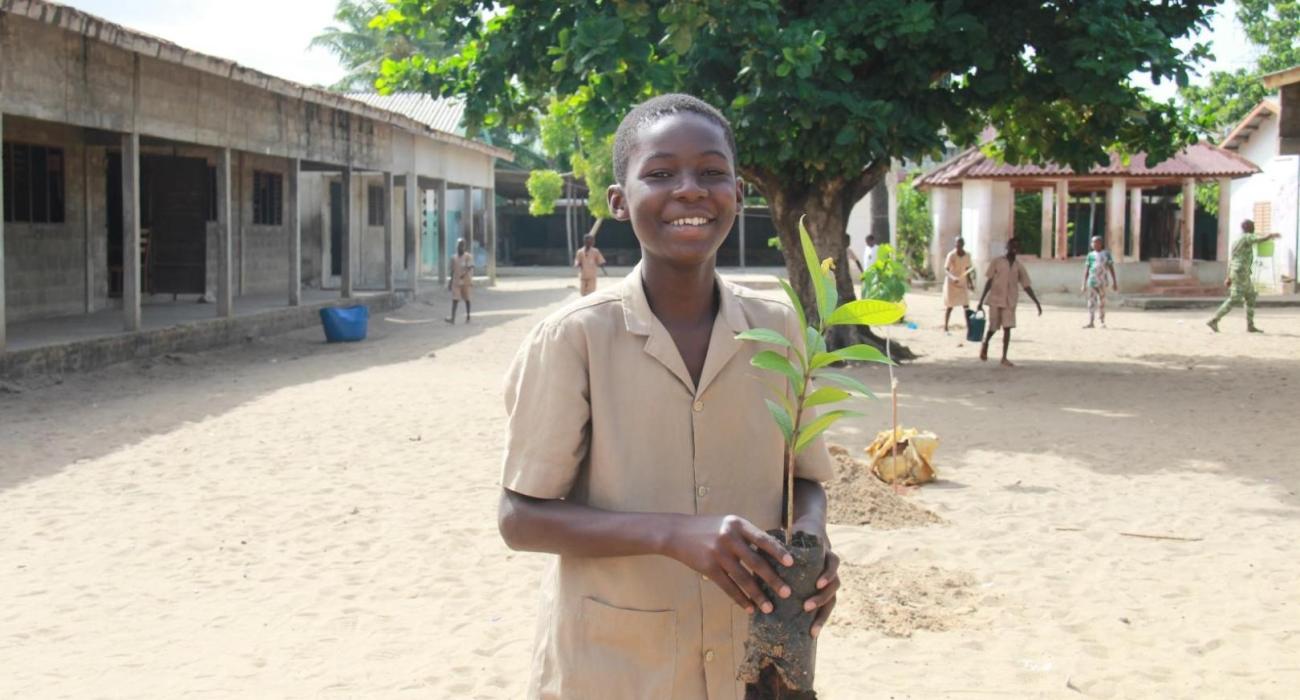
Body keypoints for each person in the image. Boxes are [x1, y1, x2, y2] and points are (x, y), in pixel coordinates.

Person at [498, 94, 838, 699]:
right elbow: (520, 518)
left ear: (738, 192)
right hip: (617, 669)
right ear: (619, 201)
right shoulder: (575, 338)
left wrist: (810, 541)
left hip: (753, 661)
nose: (690, 190)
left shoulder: (778, 327)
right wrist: (672, 534)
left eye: (713, 173)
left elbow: (804, 478)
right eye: (660, 174)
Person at [977, 237, 1042, 367]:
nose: (1014, 248)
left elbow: (1026, 285)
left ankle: (1004, 357)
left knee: (1008, 328)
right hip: (995, 299)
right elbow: (989, 281)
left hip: (1010, 301)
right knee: (993, 327)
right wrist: (981, 300)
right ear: (1007, 247)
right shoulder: (997, 262)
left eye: (1017, 246)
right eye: (1012, 245)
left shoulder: (1019, 267)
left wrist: (1036, 302)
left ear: (1018, 249)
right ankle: (986, 343)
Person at [1208, 219, 1281, 333]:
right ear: (1247, 227)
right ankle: (1214, 320)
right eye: (1252, 226)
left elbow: (1231, 259)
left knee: (1251, 295)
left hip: (1240, 272)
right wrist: (1270, 236)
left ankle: (1250, 325)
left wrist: (1228, 276)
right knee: (1235, 298)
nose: (1254, 228)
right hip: (1241, 272)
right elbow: (1258, 239)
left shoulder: (1237, 240)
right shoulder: (1247, 236)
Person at [1080, 235, 1118, 328]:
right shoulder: (1090, 255)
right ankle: (1091, 321)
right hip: (1092, 281)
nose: (1095, 244)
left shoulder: (1106, 254)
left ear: (1101, 244)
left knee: (1102, 301)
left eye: (1097, 242)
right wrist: (1083, 283)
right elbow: (1087, 269)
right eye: (1093, 242)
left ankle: (1102, 321)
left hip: (1102, 281)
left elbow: (1111, 267)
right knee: (1091, 301)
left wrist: (1114, 282)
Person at [942, 236, 974, 333]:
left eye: (960, 243)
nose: (959, 245)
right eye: (957, 243)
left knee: (966, 305)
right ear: (955, 244)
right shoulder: (951, 255)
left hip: (962, 282)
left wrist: (970, 283)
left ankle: (969, 327)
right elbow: (946, 270)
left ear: (963, 244)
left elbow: (967, 271)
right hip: (951, 283)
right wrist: (953, 278)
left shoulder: (967, 255)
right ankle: (946, 326)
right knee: (950, 306)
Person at [446, 238, 472, 324]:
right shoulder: (453, 258)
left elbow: (470, 267)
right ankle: (452, 318)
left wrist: (464, 274)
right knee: (455, 299)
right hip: (456, 281)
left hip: (465, 281)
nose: (460, 247)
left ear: (464, 247)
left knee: (467, 299)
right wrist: (450, 282)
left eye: (462, 245)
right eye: (458, 245)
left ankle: (468, 316)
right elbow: (452, 271)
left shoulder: (468, 256)